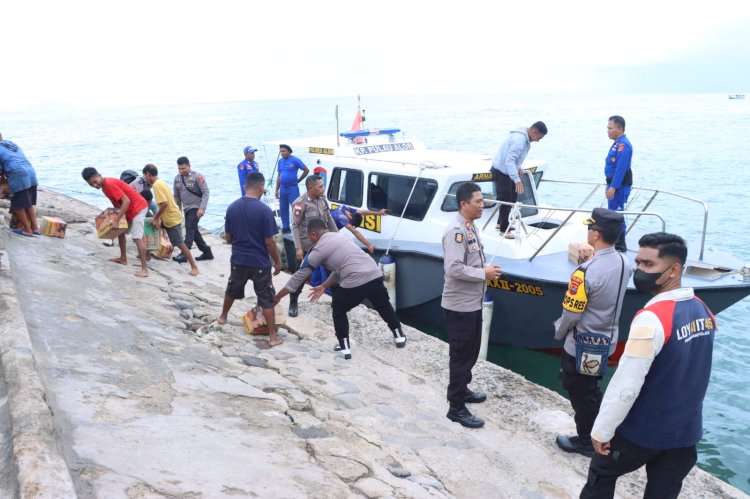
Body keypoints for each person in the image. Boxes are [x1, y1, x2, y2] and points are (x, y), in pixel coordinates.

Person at [581, 232, 717, 499]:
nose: (639, 271)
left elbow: (626, 384)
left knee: (601, 473)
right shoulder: (704, 311)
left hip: (644, 431)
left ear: (674, 270)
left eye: (648, 265)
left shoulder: (651, 319)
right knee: (664, 492)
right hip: (685, 432)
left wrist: (602, 430)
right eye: (638, 263)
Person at [553, 208, 632, 457]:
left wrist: (558, 332)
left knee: (579, 392)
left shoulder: (585, 272)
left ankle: (587, 441)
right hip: (606, 342)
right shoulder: (623, 262)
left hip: (581, 344)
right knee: (592, 390)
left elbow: (571, 314)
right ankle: (602, 434)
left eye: (590, 228)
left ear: (596, 234)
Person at [273, 218, 406, 359]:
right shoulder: (340, 236)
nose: (309, 240)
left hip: (355, 281)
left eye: (308, 237)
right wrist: (324, 286)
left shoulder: (318, 249)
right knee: (383, 304)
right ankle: (399, 335)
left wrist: (277, 297)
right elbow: (341, 268)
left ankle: (344, 348)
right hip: (374, 273)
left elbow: (298, 277)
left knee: (338, 309)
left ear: (313, 234)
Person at [442, 182, 502, 429]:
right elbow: (453, 268)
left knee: (471, 352)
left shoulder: (470, 226)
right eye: (477, 201)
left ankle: (463, 389)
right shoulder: (456, 231)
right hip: (459, 306)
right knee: (460, 355)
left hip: (472, 303)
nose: (482, 205)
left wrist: (485, 272)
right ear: (463, 204)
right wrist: (483, 273)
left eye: (482, 200)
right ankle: (456, 407)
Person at [218, 172, 283, 347]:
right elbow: (269, 242)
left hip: (239, 259)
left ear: (246, 186)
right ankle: (272, 337)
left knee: (232, 288)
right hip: (260, 262)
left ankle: (223, 317)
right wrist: (277, 262)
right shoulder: (264, 211)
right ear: (261, 187)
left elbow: (228, 237)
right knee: (266, 298)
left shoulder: (232, 207)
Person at [81, 167, 150, 278]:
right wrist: (113, 219)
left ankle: (144, 269)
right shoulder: (104, 188)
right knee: (120, 232)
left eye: (95, 182)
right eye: (91, 184)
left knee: (137, 237)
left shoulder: (109, 184)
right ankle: (123, 258)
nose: (95, 185)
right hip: (129, 210)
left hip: (139, 208)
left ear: (99, 175)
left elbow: (126, 201)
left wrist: (117, 220)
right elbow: (118, 204)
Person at [288, 175, 338, 317]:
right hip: (306, 247)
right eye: (320, 186)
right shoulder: (300, 203)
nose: (323, 189)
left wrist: (337, 237)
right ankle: (293, 302)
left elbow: (329, 219)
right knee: (300, 276)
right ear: (311, 188)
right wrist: (298, 247)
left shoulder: (323, 200)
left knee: (333, 273)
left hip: (324, 245)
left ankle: (336, 302)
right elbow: (295, 226)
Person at [490, 121, 547, 238]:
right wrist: (517, 180)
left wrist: (518, 168)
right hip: (501, 171)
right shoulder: (519, 140)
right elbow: (509, 161)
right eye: (538, 138)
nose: (537, 141)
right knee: (506, 199)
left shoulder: (524, 137)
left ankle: (500, 222)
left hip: (507, 171)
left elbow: (514, 159)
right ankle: (503, 229)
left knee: (512, 197)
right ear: (533, 132)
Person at [141, 164, 199, 276]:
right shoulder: (160, 182)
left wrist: (156, 218)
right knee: (152, 228)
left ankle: (194, 266)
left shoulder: (157, 186)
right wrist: (157, 220)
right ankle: (147, 254)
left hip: (172, 218)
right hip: (167, 217)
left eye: (145, 176)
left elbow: (164, 204)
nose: (144, 179)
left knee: (179, 243)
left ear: (148, 174)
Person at [173, 156, 213, 262]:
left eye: (183, 168)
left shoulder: (197, 176)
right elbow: (176, 196)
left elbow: (206, 192)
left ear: (189, 166)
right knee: (194, 231)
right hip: (186, 208)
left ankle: (185, 254)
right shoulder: (177, 179)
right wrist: (178, 211)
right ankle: (207, 252)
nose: (181, 171)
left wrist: (202, 208)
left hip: (196, 207)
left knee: (189, 227)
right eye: (179, 169)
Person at [0, 132, 39, 236]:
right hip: (30, 172)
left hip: (18, 175)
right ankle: (35, 228)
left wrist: (3, 180)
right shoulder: (11, 144)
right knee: (28, 203)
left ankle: (27, 229)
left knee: (17, 205)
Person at [605, 115, 633, 253]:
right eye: (607, 128)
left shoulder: (624, 145)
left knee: (617, 214)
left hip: (619, 187)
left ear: (620, 129)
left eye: (611, 128)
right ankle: (615, 243)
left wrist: (613, 188)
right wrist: (608, 185)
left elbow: (620, 169)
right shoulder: (617, 143)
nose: (608, 131)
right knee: (613, 214)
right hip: (613, 184)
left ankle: (620, 246)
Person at [274, 144, 309, 233]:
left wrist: (299, 180)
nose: (282, 153)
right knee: (283, 208)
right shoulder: (280, 162)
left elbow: (306, 170)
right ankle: (286, 227)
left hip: (292, 188)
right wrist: (276, 190)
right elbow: (279, 176)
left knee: (296, 207)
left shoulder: (295, 160)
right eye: (281, 151)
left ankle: (298, 226)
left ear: (289, 152)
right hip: (283, 188)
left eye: (284, 151)